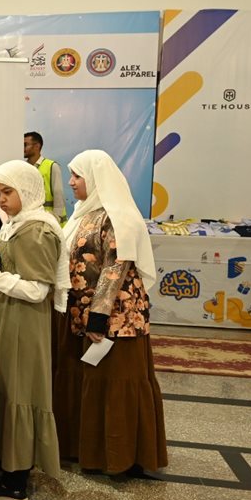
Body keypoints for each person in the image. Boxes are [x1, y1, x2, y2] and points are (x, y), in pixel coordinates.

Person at [55, 149, 167, 476]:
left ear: (96, 178)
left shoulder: (117, 216)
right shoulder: (84, 214)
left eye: (77, 175)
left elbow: (114, 269)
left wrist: (99, 317)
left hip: (115, 321)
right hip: (83, 314)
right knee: (90, 382)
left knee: (116, 383)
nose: (71, 182)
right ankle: (86, 450)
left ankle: (122, 457)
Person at [0, 160, 65, 500]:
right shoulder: (17, 225)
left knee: (21, 391)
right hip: (8, 317)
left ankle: (15, 484)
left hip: (24, 323)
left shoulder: (37, 230)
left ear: (26, 189)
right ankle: (5, 466)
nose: (2, 200)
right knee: (8, 389)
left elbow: (38, 290)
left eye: (7, 192)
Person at [24, 131, 66, 224]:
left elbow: (58, 197)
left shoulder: (52, 166)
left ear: (37, 146)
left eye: (25, 145)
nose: (22, 148)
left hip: (50, 222)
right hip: (32, 221)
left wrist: (55, 222)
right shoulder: (23, 168)